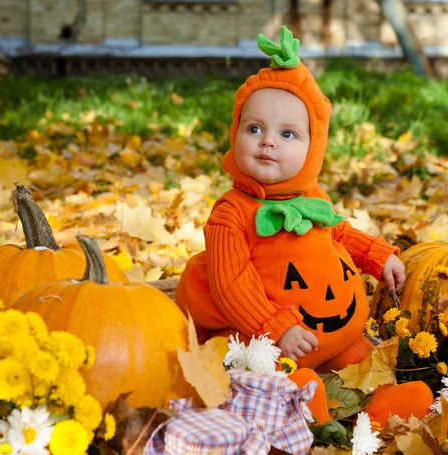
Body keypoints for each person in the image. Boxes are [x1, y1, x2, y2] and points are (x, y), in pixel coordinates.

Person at [176, 26, 433, 424]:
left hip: (336, 336)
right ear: (235, 133)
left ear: (313, 149)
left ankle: (382, 410)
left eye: (288, 133)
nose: (268, 142)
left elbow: (337, 233)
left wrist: (376, 257)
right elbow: (232, 284)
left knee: (363, 362)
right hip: (265, 340)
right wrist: (275, 328)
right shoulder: (231, 213)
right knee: (275, 375)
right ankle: (310, 419)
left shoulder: (313, 198)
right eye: (254, 128)